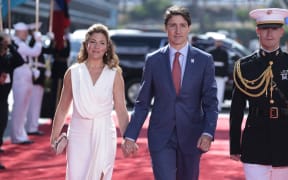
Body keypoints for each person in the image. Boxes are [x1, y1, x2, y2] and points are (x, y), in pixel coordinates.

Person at [122, 5, 218, 180]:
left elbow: (211, 103)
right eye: (173, 25)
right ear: (166, 28)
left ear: (189, 28)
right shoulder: (153, 60)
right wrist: (131, 135)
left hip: (192, 135)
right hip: (161, 136)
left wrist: (208, 132)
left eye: (182, 25)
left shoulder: (204, 60)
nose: (177, 30)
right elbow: (142, 103)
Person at [50, 23, 133, 179]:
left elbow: (121, 110)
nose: (97, 46)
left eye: (102, 43)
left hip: (104, 132)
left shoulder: (114, 74)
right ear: (86, 44)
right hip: (78, 133)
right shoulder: (73, 72)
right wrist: (54, 136)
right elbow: (62, 108)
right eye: (93, 42)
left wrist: (128, 138)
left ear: (107, 47)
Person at [230, 8, 288, 180]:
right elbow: (236, 109)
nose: (269, 33)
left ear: (282, 31)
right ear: (257, 31)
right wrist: (235, 145)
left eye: (274, 28)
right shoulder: (244, 66)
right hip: (255, 141)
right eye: (264, 28)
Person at [10, 22, 42, 144]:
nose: (26, 34)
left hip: (26, 78)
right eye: (25, 32)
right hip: (20, 80)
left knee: (23, 109)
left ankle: (20, 134)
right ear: (19, 33)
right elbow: (34, 52)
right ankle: (16, 136)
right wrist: (38, 41)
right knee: (19, 108)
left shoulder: (21, 43)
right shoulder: (18, 44)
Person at [0, 32, 25, 170]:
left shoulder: (8, 58)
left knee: (2, 125)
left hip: (3, 99)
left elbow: (20, 61)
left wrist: (11, 45)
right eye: (3, 44)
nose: (4, 48)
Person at [26, 25, 55, 136]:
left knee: (36, 103)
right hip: (35, 76)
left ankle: (33, 126)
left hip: (40, 76)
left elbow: (49, 50)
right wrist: (38, 39)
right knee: (33, 103)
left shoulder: (36, 43)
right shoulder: (32, 43)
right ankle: (31, 127)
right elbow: (36, 52)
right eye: (35, 31)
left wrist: (51, 40)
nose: (38, 34)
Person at [207, 38, 229, 111]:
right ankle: (210, 107)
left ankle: (218, 107)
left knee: (220, 92)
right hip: (212, 76)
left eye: (219, 42)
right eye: (217, 41)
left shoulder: (224, 52)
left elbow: (226, 64)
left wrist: (226, 75)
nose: (218, 43)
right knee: (211, 92)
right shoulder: (210, 51)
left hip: (221, 76)